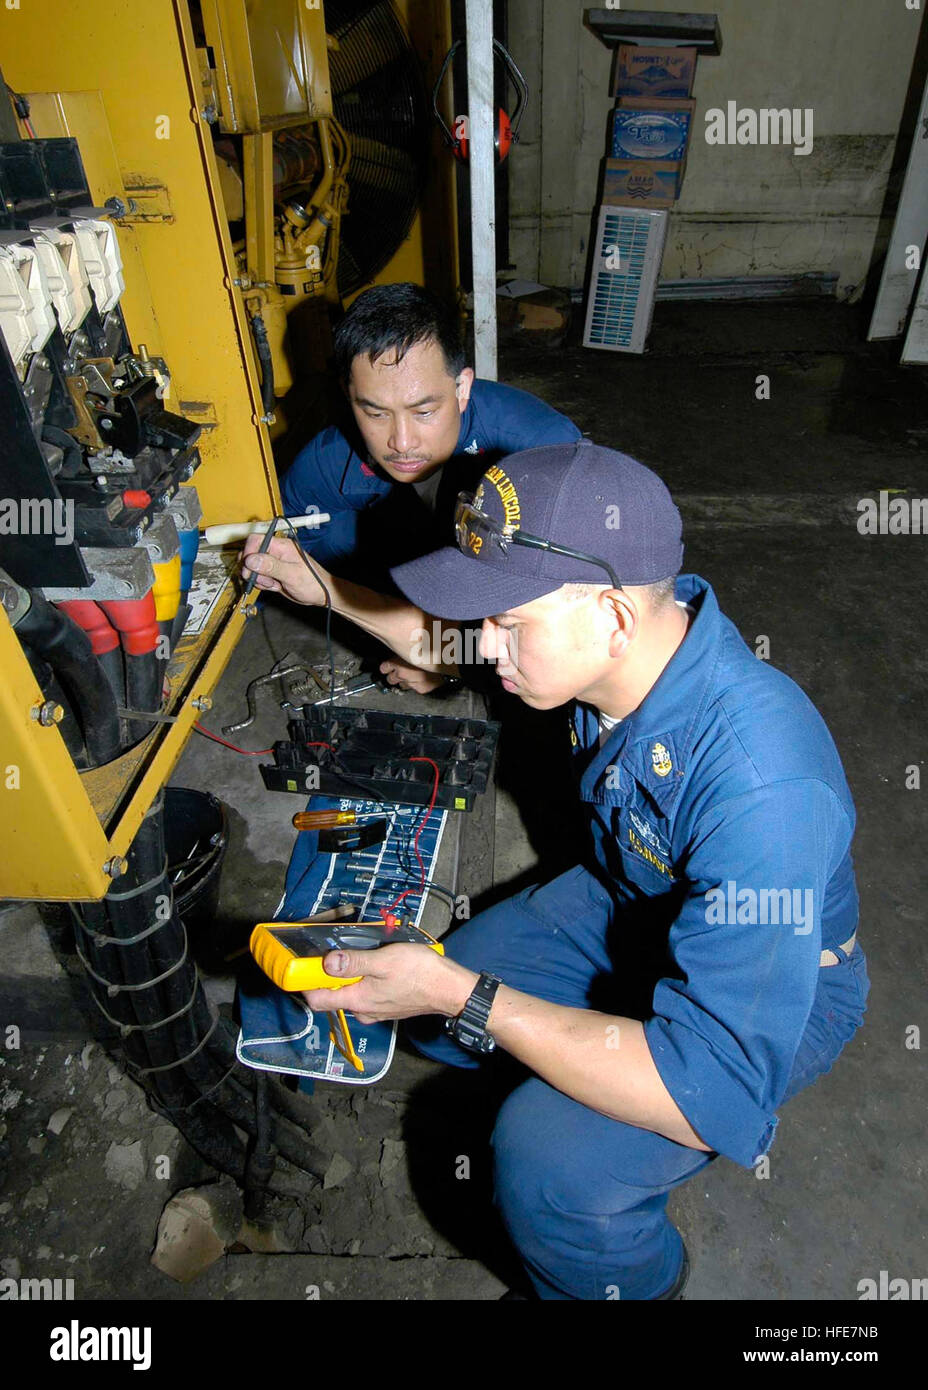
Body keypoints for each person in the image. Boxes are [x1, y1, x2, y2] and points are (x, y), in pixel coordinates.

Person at [286, 439, 869, 1302]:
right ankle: (563, 1054)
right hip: (631, 902)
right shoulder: (612, 651)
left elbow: (703, 1084)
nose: (487, 647)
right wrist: (327, 589)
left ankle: (630, 1281)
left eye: (507, 623)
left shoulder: (765, 789)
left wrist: (469, 996)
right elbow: (461, 642)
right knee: (436, 1019)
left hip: (768, 995)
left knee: (544, 1164)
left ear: (613, 616)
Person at [279, 281, 580, 697]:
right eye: (375, 411)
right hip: (414, 569)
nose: (401, 442)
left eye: (423, 411)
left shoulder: (541, 454)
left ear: (462, 388)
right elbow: (302, 569)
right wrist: (399, 633)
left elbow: (576, 633)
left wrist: (448, 661)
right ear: (349, 399)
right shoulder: (326, 463)